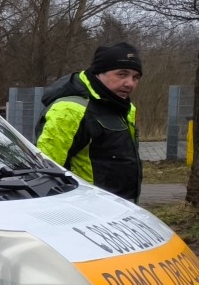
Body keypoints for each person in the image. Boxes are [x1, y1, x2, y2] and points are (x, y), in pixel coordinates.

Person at [36, 42, 143, 200]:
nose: (130, 83)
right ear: (99, 73)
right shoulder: (69, 110)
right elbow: (47, 171)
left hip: (123, 209)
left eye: (136, 77)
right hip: (87, 210)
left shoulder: (126, 108)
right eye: (122, 74)